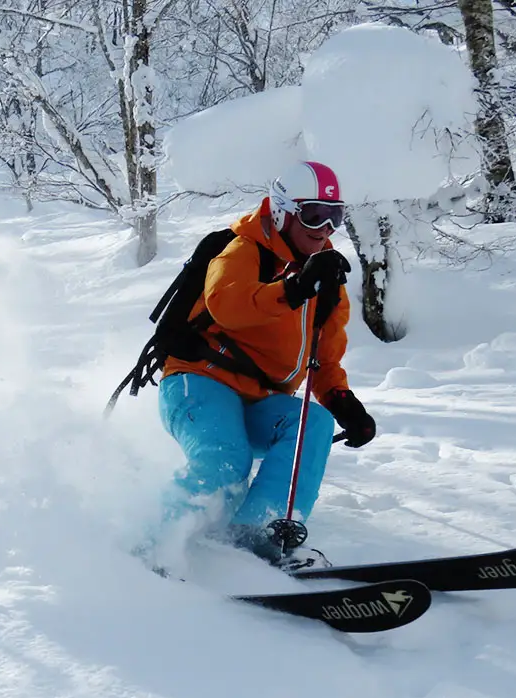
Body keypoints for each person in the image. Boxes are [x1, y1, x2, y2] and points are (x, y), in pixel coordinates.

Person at [148, 160, 377, 571]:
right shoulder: (242, 250)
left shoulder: (325, 277)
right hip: (198, 380)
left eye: (335, 216)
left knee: (314, 423)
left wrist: (344, 402)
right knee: (225, 459)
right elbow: (228, 305)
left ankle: (257, 535)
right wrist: (295, 287)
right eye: (314, 215)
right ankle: (152, 544)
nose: (324, 228)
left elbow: (323, 358)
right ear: (281, 211)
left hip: (261, 399)